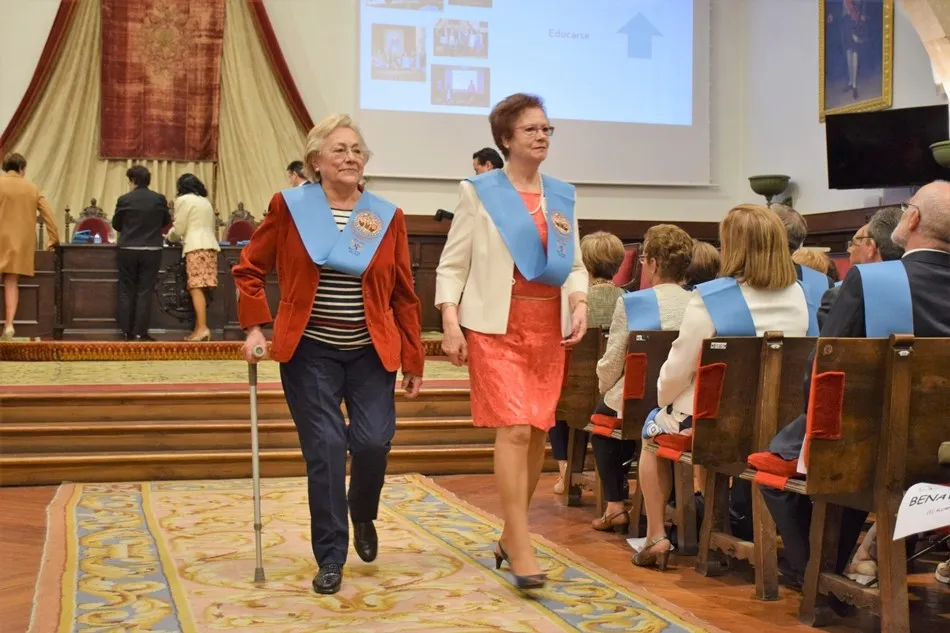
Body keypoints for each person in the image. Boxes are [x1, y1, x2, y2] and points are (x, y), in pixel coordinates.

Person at [232, 114, 425, 595]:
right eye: (339, 149)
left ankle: (362, 513)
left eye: (357, 150)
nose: (350, 157)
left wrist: (414, 357)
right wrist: (255, 327)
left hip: (370, 351)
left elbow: (403, 293)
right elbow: (249, 269)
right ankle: (331, 555)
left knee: (373, 443)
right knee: (326, 449)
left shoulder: (386, 216)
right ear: (316, 160)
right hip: (309, 351)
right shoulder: (291, 207)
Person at [763, 180, 950, 588]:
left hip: (876, 449)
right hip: (943, 452)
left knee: (784, 457)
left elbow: (823, 370)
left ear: (913, 219)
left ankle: (816, 573)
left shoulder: (870, 280)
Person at [436, 93, 588, 590]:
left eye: (546, 129)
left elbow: (574, 265)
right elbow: (453, 264)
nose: (542, 136)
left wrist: (580, 302)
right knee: (516, 430)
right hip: (495, 328)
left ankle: (509, 535)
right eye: (531, 130)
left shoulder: (561, 195)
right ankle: (522, 543)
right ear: (505, 138)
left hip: (547, 330)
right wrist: (450, 319)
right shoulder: (479, 192)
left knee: (538, 432)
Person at [634, 205, 810, 570]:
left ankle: (656, 536)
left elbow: (678, 369)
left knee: (651, 430)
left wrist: (663, 399)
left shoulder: (710, 297)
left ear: (733, 247)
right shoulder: (802, 295)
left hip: (719, 427)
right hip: (783, 425)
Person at [592, 224, 693, 533]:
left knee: (602, 424)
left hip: (639, 399)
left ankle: (614, 505)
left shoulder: (632, 302)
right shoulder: (699, 301)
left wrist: (603, 385)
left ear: (653, 263)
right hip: (684, 400)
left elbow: (614, 360)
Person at [549, 230, 625, 496]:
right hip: (617, 393)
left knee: (556, 402)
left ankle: (565, 471)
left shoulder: (573, 303)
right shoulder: (630, 299)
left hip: (575, 392)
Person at [0, 152, 59, 340]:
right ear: (21, 168)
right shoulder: (31, 188)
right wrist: (53, 238)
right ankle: (9, 325)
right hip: (18, 245)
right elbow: (48, 214)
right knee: (11, 282)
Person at [818, 208, 904, 329]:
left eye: (857, 242)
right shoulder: (922, 288)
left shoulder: (840, 296)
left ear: (871, 248)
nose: (849, 250)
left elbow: (829, 341)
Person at [112, 166, 171, 342]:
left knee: (126, 289)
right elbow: (166, 221)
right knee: (145, 291)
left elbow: (116, 224)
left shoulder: (124, 199)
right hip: (152, 249)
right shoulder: (159, 199)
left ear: (133, 180)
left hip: (128, 249)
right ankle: (140, 333)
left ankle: (126, 332)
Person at [166, 173, 221, 341]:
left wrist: (169, 237)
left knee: (195, 287)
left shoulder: (183, 200)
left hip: (196, 246)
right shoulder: (206, 202)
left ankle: (202, 328)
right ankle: (198, 328)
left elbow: (179, 228)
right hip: (210, 246)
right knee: (202, 288)